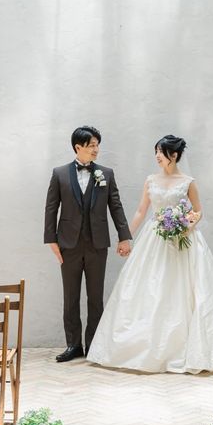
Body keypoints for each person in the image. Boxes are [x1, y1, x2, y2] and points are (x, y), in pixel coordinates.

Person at [86, 134, 213, 373]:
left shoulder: (188, 182)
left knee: (184, 289)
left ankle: (182, 345)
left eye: (160, 152)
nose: (157, 156)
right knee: (148, 289)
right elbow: (141, 211)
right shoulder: (150, 180)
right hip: (154, 238)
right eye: (155, 152)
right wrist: (125, 237)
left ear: (173, 155)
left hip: (183, 241)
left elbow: (198, 211)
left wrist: (186, 227)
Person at [44, 126, 132, 363]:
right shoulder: (59, 174)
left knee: (96, 297)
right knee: (70, 296)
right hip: (68, 244)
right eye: (91, 145)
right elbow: (51, 207)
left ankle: (94, 345)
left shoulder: (106, 174)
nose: (96, 149)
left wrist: (124, 236)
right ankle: (73, 345)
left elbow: (116, 206)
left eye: (97, 145)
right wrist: (51, 239)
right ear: (78, 147)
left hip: (97, 244)